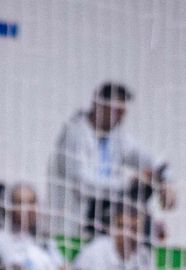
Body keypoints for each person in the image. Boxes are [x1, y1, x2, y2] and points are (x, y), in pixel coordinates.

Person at [46, 82, 172, 240]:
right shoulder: (74, 134)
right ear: (98, 105)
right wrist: (128, 181)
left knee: (144, 187)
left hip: (103, 221)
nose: (120, 118)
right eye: (116, 111)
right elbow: (83, 184)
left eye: (123, 112)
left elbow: (151, 159)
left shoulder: (117, 137)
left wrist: (166, 181)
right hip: (72, 226)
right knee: (135, 186)